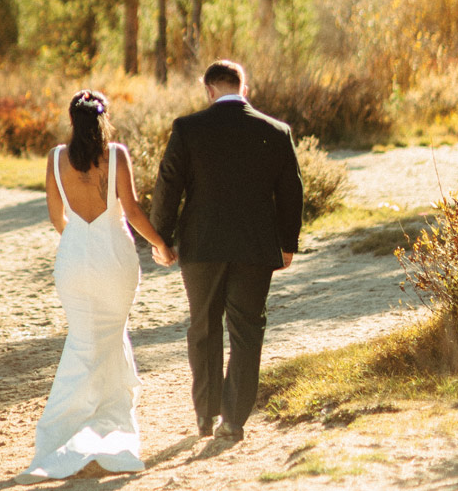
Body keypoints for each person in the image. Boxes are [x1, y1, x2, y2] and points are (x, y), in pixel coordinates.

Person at [16, 90, 176, 484]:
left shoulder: (55, 159)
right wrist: (160, 244)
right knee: (100, 341)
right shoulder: (117, 154)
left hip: (74, 260)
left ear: (72, 120)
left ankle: (96, 435)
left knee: (88, 340)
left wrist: (80, 242)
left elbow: (58, 219)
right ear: (103, 119)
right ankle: (93, 437)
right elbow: (133, 210)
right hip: (114, 257)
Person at [150, 60, 303, 442]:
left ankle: (205, 415)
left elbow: (169, 185)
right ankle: (233, 419)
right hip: (254, 245)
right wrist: (287, 244)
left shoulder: (188, 129)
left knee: (203, 327)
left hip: (201, 245)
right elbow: (291, 192)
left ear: (209, 90)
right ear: (243, 88)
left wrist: (161, 239)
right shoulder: (276, 131)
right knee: (247, 331)